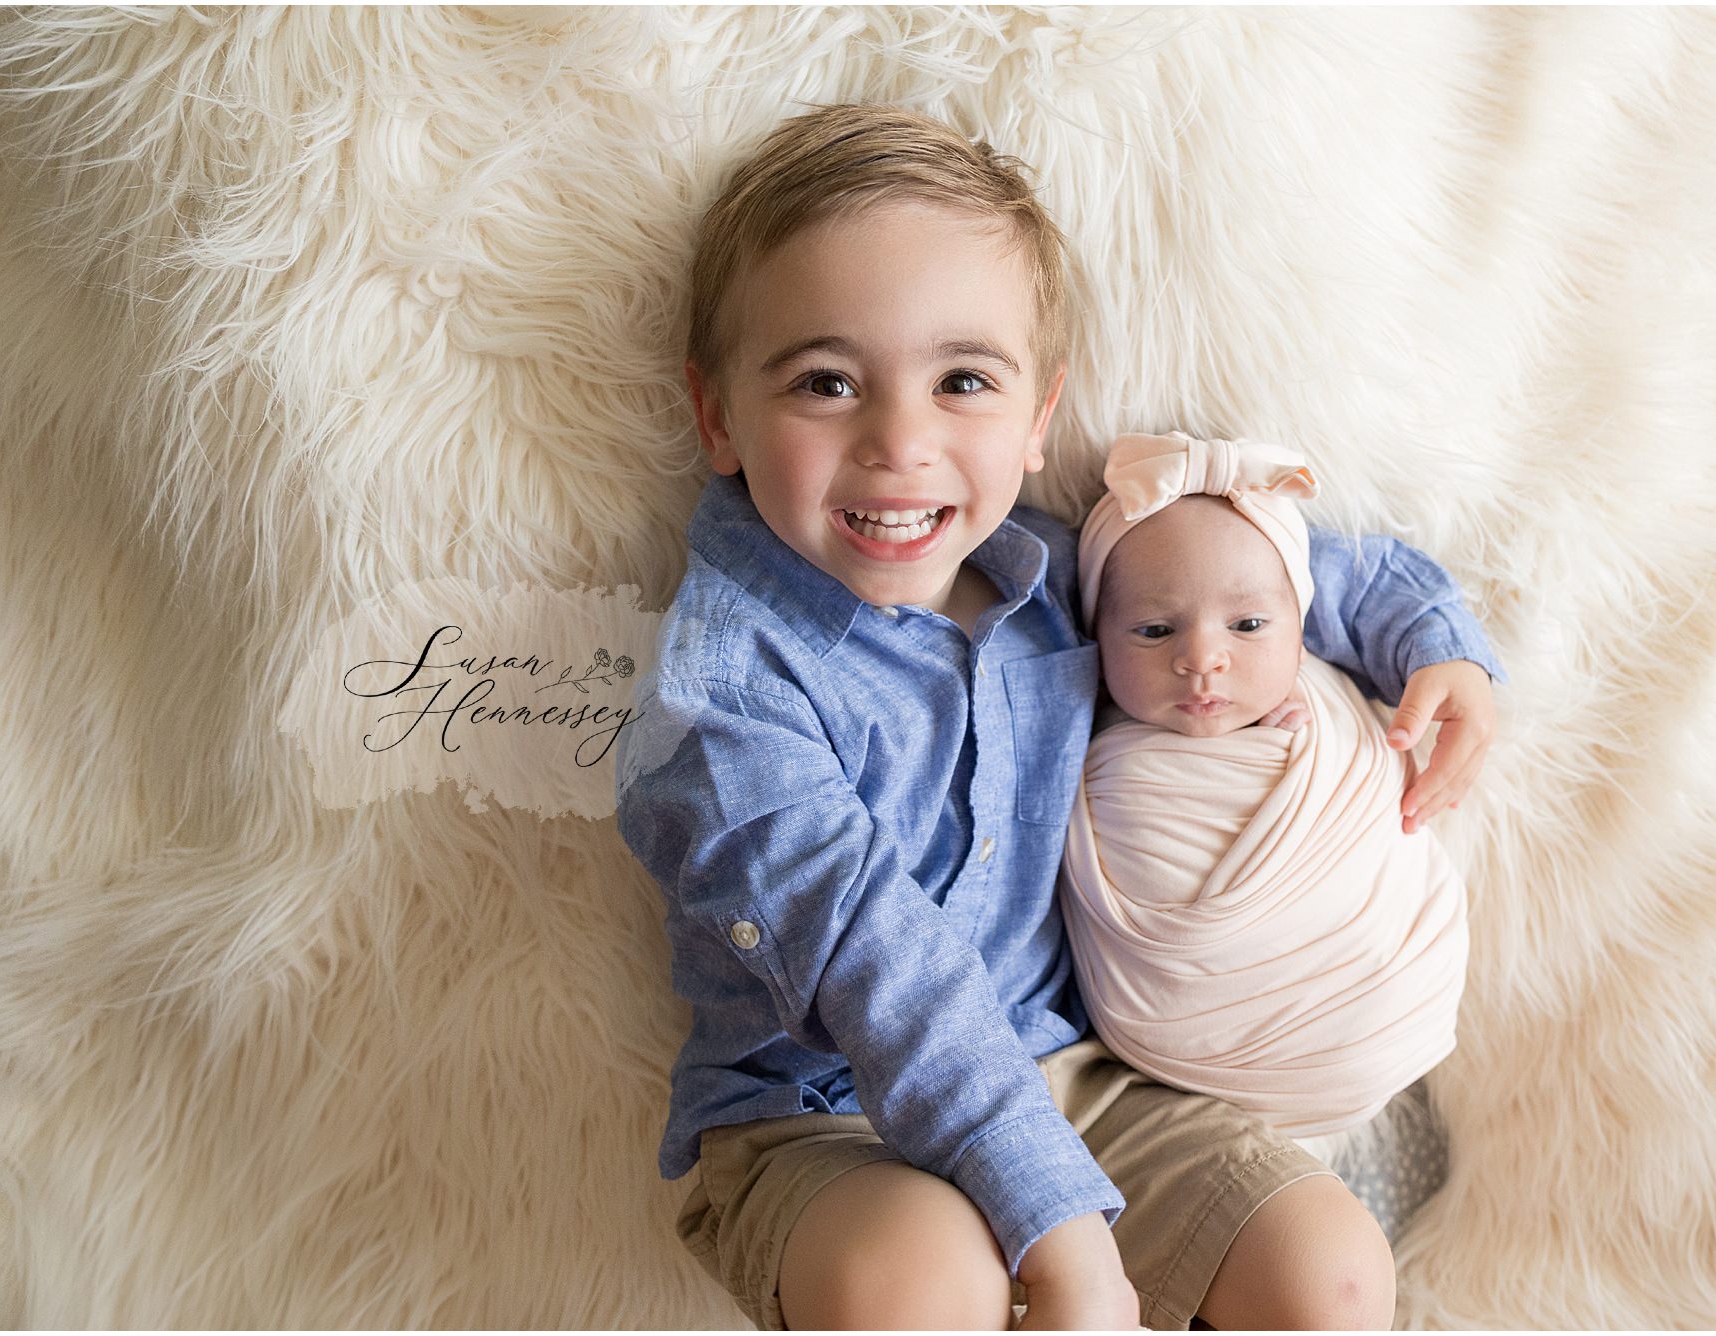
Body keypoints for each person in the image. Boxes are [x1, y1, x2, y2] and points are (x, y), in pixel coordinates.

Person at [614, 102, 1504, 1330]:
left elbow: (1277, 569)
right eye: (826, 382)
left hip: (1067, 1074)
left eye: (962, 381)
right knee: (921, 1281)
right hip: (821, 1117)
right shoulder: (724, 697)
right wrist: (1065, 1237)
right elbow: (881, 968)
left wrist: (1440, 648)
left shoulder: (1053, 574)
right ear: (717, 416)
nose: (899, 442)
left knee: (1331, 1269)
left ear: (1038, 419)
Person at [1059, 431, 1469, 1211]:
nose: (1201, 659)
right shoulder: (1088, 755)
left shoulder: (1332, 723)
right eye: (1153, 630)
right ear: (1096, 638)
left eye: (1247, 626)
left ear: (1302, 629)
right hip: (1183, 1079)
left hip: (1384, 999)